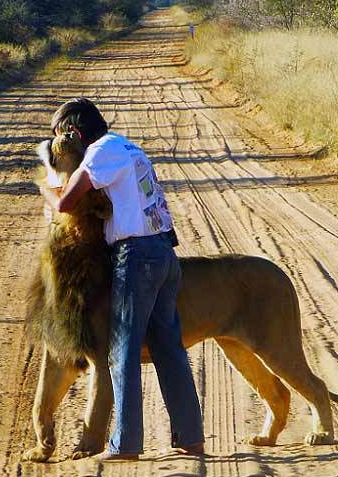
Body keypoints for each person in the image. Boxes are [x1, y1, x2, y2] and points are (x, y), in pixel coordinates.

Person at [39, 98, 205, 461]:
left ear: (74, 133)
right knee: (169, 349)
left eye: (62, 138)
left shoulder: (101, 151)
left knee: (121, 352)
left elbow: (67, 203)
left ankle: (125, 444)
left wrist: (45, 188)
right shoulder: (128, 146)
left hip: (137, 257)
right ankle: (190, 438)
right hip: (164, 254)